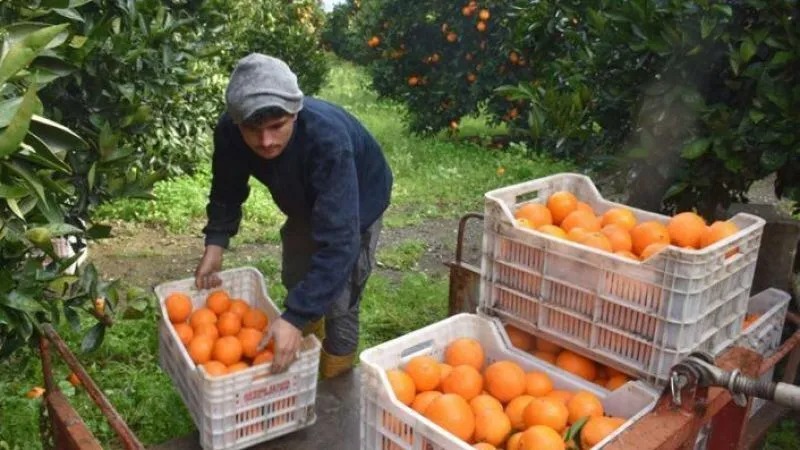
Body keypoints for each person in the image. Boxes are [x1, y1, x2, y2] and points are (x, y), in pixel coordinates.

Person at [194, 53, 393, 378]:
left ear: (296, 114)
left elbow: (340, 241)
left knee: (340, 299)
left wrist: (294, 316)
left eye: (277, 126)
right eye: (253, 130)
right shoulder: (230, 131)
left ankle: (336, 382)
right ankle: (303, 358)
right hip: (303, 202)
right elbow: (226, 188)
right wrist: (215, 243)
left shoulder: (327, 141)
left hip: (358, 202)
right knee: (297, 277)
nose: (266, 141)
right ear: (236, 122)